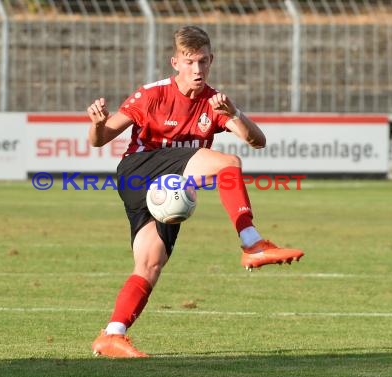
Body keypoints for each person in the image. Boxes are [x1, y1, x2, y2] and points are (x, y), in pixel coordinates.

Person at [87, 25, 304, 358]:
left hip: (166, 192)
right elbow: (100, 139)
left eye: (203, 61)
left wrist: (236, 115)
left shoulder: (214, 102)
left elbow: (257, 141)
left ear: (211, 60)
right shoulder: (151, 94)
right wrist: (98, 122)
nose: (197, 69)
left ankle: (112, 334)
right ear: (176, 62)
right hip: (138, 171)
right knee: (227, 162)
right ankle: (252, 242)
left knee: (149, 264)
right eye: (189, 62)